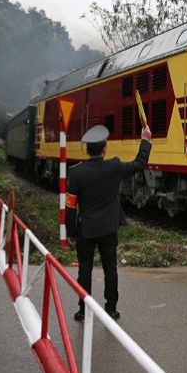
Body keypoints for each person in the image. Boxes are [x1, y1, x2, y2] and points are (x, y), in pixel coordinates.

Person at [66, 124, 152, 322]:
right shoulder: (114, 167)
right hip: (108, 229)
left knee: (84, 270)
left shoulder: (76, 173)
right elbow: (139, 164)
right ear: (104, 149)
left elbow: (71, 206)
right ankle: (111, 309)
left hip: (86, 230)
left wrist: (71, 231)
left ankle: (83, 310)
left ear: (87, 150)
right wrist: (145, 140)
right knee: (110, 268)